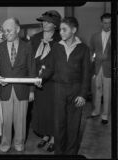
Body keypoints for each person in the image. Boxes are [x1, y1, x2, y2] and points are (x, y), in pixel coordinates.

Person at [36, 17, 90, 154]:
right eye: (60, 30)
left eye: (64, 30)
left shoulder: (83, 49)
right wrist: (40, 78)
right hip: (59, 90)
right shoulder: (56, 47)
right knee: (59, 125)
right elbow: (50, 68)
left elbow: (86, 74)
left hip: (76, 92)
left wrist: (83, 94)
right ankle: (59, 153)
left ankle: (71, 153)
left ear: (74, 30)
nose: (61, 33)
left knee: (73, 125)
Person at [0, 18, 35, 152]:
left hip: (22, 90)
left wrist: (31, 91)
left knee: (21, 120)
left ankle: (19, 143)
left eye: (9, 30)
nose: (6, 33)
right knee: (5, 121)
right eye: (4, 31)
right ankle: (5, 143)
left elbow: (32, 69)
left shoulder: (27, 46)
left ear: (17, 29)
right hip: (4, 90)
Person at [30, 10, 61, 152]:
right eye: (43, 21)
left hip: (53, 82)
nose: (44, 23)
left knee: (53, 110)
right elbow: (30, 60)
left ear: (55, 24)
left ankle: (54, 137)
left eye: (48, 21)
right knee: (41, 110)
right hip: (38, 82)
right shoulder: (35, 38)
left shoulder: (61, 38)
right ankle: (45, 135)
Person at [89, 13, 111, 125]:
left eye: (110, 22)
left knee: (107, 92)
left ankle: (105, 115)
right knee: (97, 90)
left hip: (109, 68)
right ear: (101, 23)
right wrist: (92, 60)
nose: (108, 25)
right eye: (106, 23)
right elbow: (91, 51)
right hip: (97, 67)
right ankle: (96, 111)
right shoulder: (95, 36)